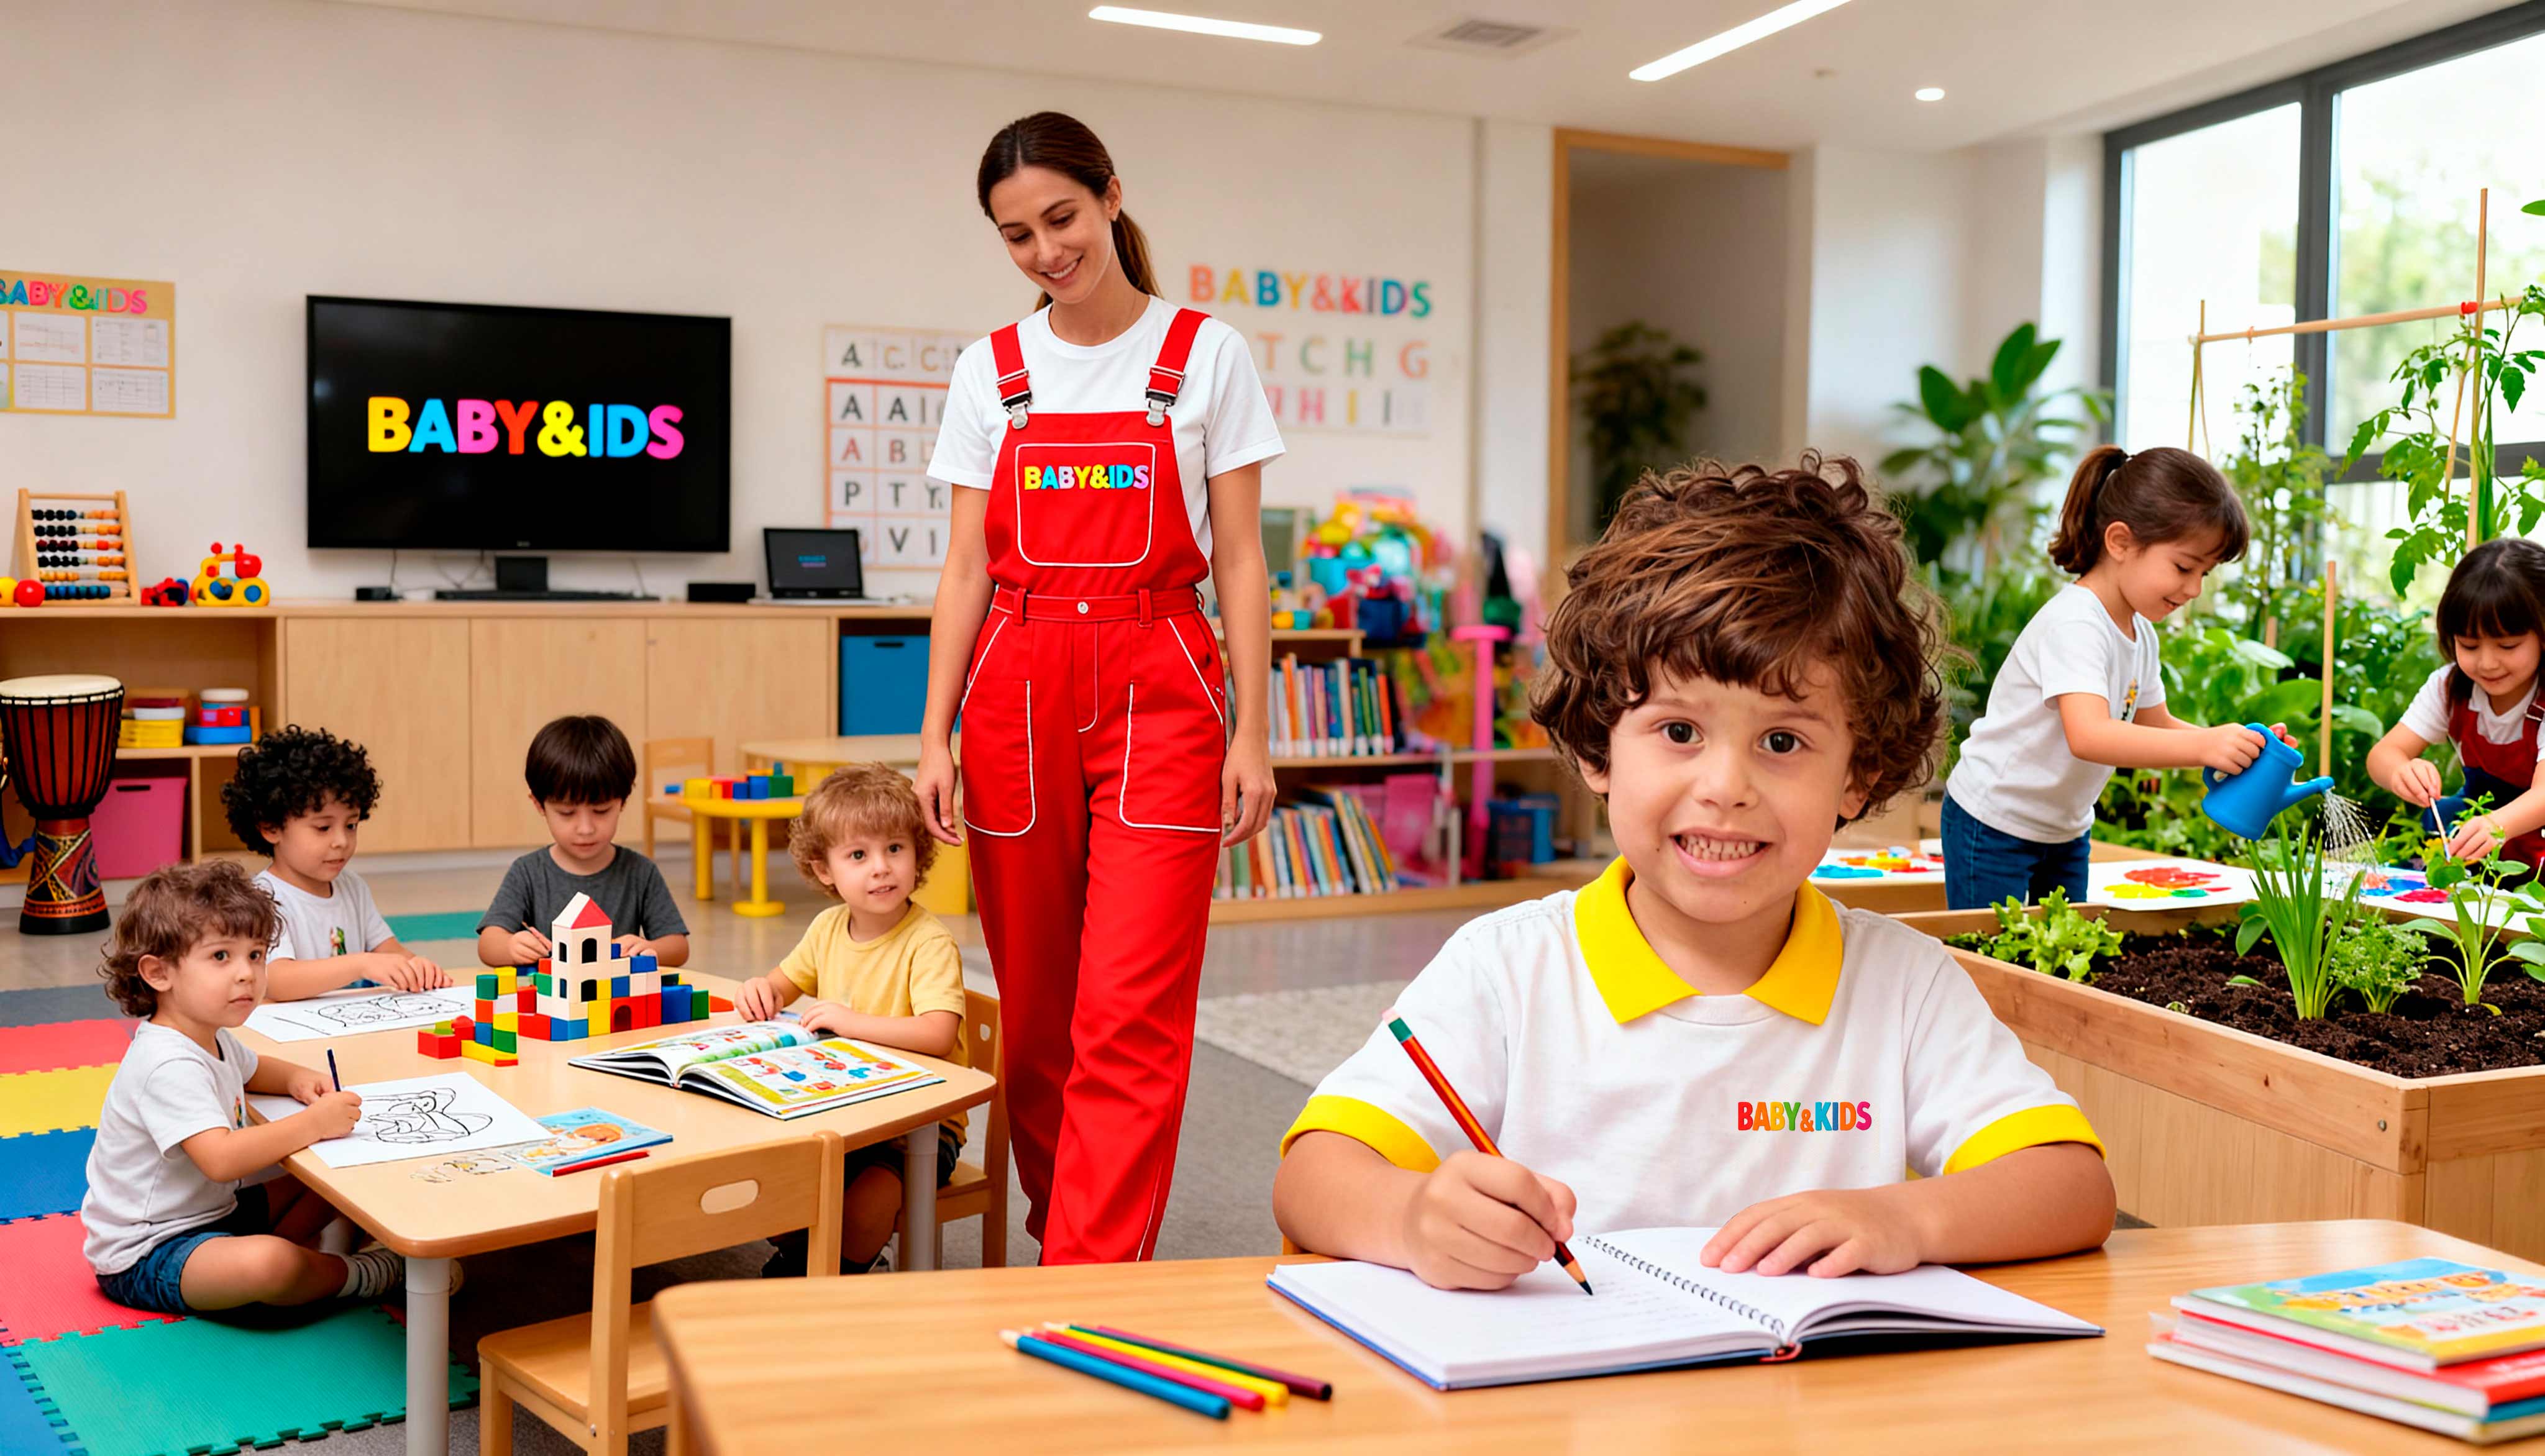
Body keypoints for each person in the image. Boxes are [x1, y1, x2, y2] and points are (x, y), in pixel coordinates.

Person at [1272, 457, 2116, 1288]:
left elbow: (2074, 1187)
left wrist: (1906, 1217)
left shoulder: (1905, 984)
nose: (1724, 789)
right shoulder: (1506, 969)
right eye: (1678, 732)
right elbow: (1312, 1178)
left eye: (1782, 743)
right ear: (1602, 742)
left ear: (1858, 776)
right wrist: (1416, 1219)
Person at [911, 111, 1282, 1264]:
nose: (1044, 250)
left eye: (1060, 218)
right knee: (1036, 1021)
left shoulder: (1204, 356)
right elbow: (966, 566)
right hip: (1013, 688)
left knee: (1129, 1012)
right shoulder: (993, 368)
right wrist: (934, 735)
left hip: (1163, 684)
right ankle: (1060, 1225)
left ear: (1111, 197)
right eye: (1016, 234)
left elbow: (1240, 562)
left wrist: (1254, 738)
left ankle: (1085, 1273)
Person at [1942, 444, 2283, 910]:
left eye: (2205, 572)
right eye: (2184, 567)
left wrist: (2232, 748)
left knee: (2064, 955)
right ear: (2120, 542)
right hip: (1995, 819)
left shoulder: (2139, 631)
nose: (2194, 589)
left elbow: (2154, 723)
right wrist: (2204, 747)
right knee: (1990, 961)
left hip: (2065, 828)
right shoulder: (2077, 622)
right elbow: (2090, 736)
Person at [83, 861, 407, 1313]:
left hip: (216, 1213)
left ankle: (307, 1263)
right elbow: (221, 1159)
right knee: (269, 1265)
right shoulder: (166, 1061)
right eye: (221, 957)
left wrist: (297, 1078)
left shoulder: (206, 1032)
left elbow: (253, 1069)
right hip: (152, 1250)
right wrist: (313, 1123)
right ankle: (361, 1276)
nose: (247, 974)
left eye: (256, 955)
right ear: (158, 974)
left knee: (332, 1178)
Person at [734, 765, 969, 1275]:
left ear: (917, 854)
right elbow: (780, 985)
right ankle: (803, 1258)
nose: (880, 868)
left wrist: (850, 1021)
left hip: (919, 1127)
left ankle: (845, 1270)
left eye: (895, 849)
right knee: (774, 1179)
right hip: (843, 1117)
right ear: (825, 870)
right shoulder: (827, 928)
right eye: (858, 855)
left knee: (871, 1197)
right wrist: (760, 990)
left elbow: (938, 1033)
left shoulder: (928, 942)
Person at [222, 726, 447, 1000]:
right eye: (323, 828)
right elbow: (276, 980)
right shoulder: (262, 899)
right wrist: (360, 964)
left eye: (351, 825)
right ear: (271, 828)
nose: (341, 841)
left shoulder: (352, 887)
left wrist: (416, 967)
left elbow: (389, 951)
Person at [2367, 536, 2545, 867]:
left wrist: (2498, 826)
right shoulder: (2450, 688)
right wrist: (2402, 772)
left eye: (2507, 646)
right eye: (2469, 645)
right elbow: (2382, 756)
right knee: (2442, 819)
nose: (2488, 663)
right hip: (2477, 838)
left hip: (2535, 847)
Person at [476, 715, 690, 968]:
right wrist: (511, 947)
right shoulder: (528, 872)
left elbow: (678, 946)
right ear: (539, 805)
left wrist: (651, 949)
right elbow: (489, 943)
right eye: (567, 814)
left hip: (616, 1003)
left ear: (623, 801)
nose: (586, 829)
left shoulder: (640, 872)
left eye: (601, 811)